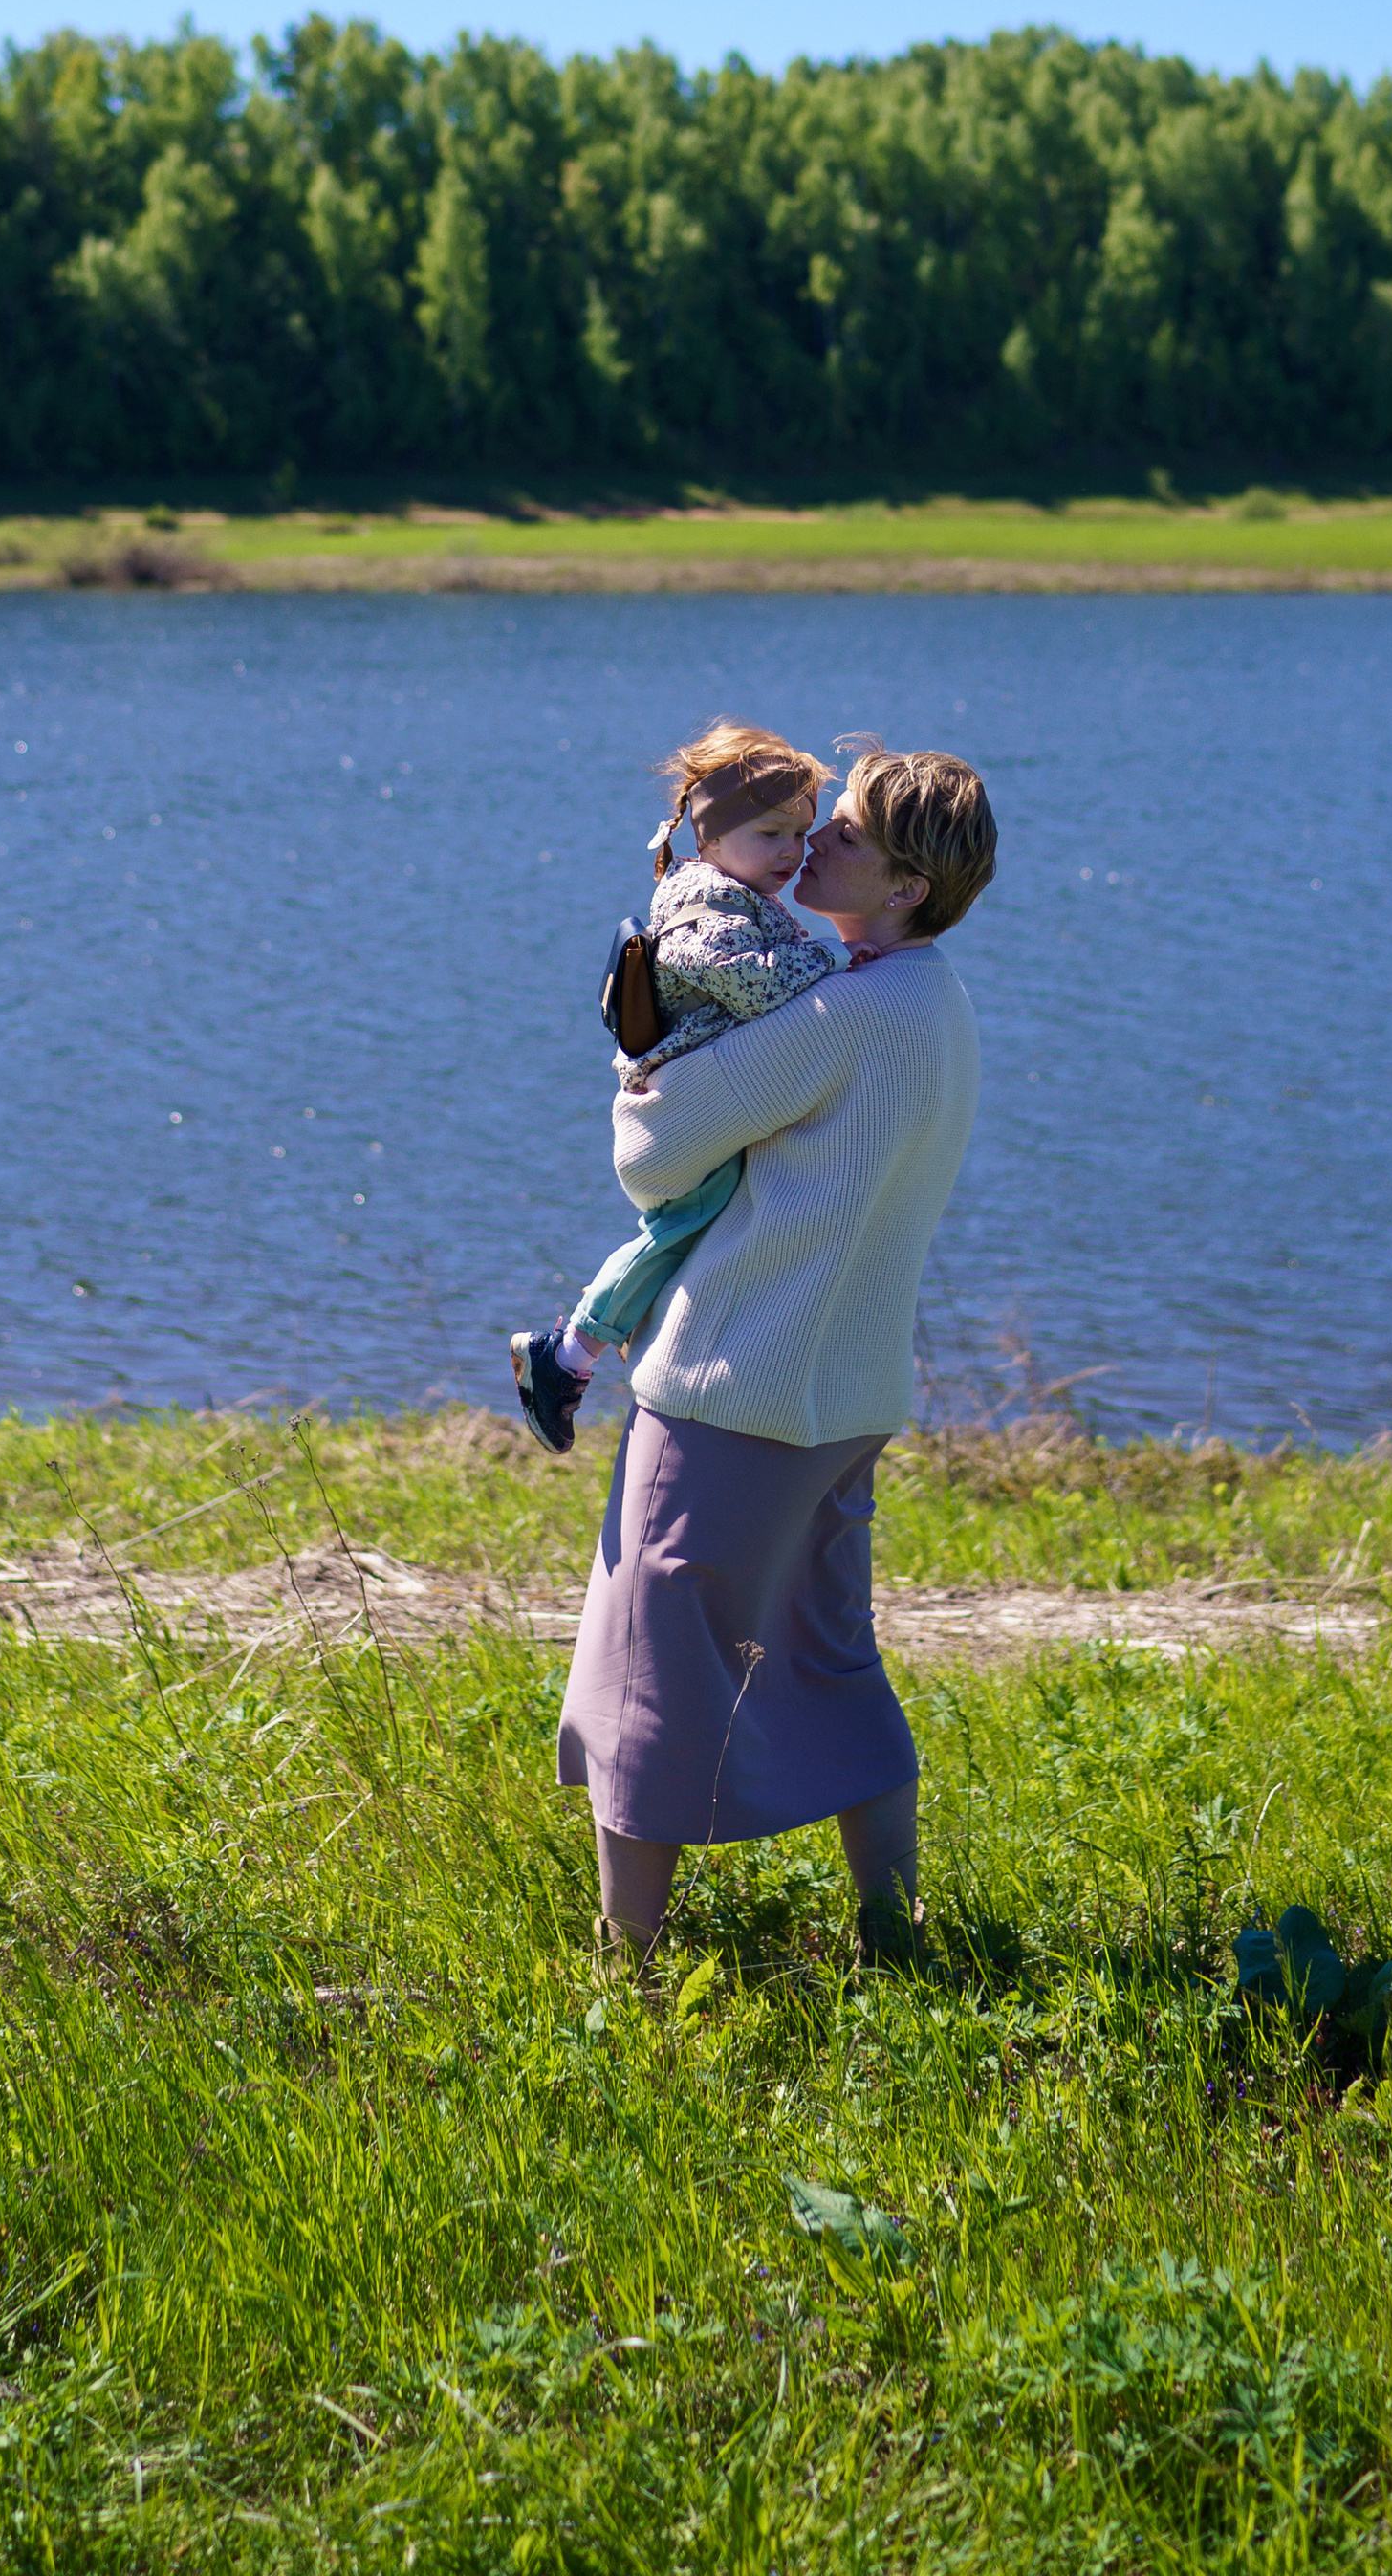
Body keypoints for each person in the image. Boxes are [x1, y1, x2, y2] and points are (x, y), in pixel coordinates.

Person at [555, 741, 997, 1966]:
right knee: (828, 1650)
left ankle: (627, 1965)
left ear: (905, 885)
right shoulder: (935, 1001)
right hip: (849, 1394)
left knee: (650, 1659)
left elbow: (649, 1158)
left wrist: (640, 1052)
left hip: (731, 1384)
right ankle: (892, 1927)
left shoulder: (837, 1017)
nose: (814, 844)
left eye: (846, 834)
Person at [509, 719, 847, 1456]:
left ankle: (636, 1338)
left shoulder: (728, 888)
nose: (790, 852)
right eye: (770, 833)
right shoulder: (703, 900)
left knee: (699, 1231)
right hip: (677, 1109)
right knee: (681, 1227)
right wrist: (834, 959)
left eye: (800, 833)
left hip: (699, 1103)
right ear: (710, 836)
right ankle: (568, 1352)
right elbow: (747, 983)